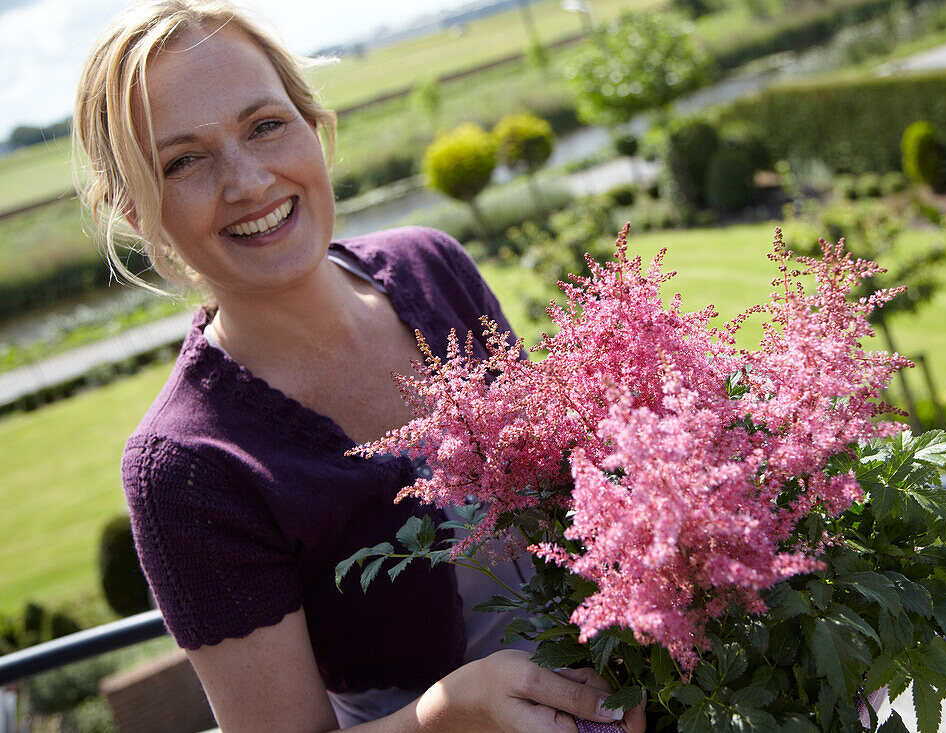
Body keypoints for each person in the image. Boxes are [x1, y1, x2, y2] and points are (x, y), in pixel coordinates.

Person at [72, 2, 646, 732]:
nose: (247, 181)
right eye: (184, 160)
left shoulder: (434, 266)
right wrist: (448, 714)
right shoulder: (185, 467)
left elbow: (572, 492)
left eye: (265, 125)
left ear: (313, 125)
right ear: (132, 208)